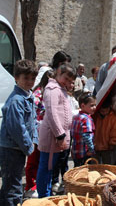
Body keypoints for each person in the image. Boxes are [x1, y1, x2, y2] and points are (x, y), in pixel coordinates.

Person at [0, 59, 38, 206]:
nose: (30, 81)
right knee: (13, 187)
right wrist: (28, 146)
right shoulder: (16, 100)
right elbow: (18, 128)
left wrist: (34, 140)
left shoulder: (28, 96)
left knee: (12, 183)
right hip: (11, 149)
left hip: (17, 148)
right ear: (16, 78)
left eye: (32, 78)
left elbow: (32, 122)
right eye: (26, 78)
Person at [36, 64, 76, 197]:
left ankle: (46, 193)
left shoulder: (60, 89)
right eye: (66, 79)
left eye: (71, 81)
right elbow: (52, 113)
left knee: (50, 167)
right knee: (46, 167)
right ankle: (44, 196)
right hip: (52, 137)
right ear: (58, 74)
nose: (68, 83)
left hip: (57, 138)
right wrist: (60, 135)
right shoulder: (52, 89)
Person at [24, 69, 54, 199]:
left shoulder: (50, 93)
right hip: (36, 131)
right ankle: (30, 185)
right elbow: (33, 115)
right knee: (33, 159)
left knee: (42, 160)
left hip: (45, 131)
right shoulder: (37, 94)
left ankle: (38, 184)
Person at [70, 92, 96, 167]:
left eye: (95, 105)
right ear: (83, 105)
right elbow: (86, 135)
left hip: (76, 151)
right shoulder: (86, 119)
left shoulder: (76, 117)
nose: (94, 107)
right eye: (91, 105)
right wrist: (91, 149)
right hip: (84, 152)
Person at [94, 98, 116, 164]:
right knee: (95, 164)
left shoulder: (113, 119)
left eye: (106, 110)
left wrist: (112, 143)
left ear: (110, 108)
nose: (104, 113)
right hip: (95, 146)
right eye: (102, 111)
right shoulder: (95, 116)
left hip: (107, 147)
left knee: (107, 164)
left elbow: (115, 133)